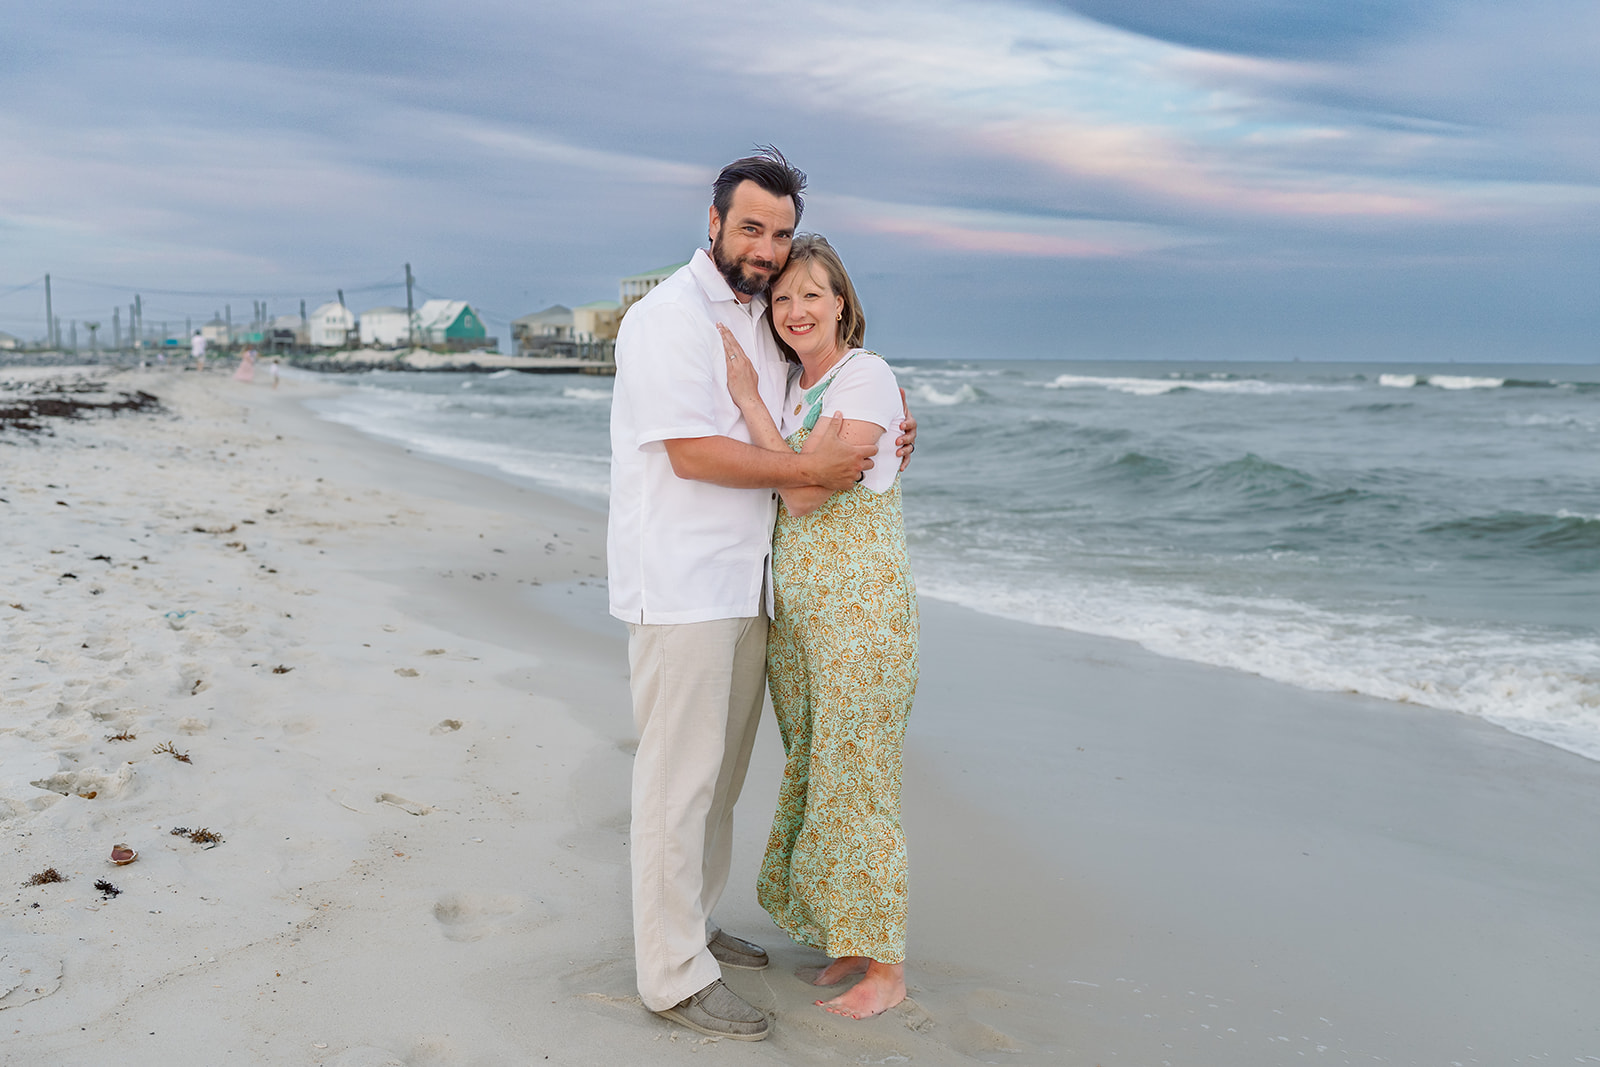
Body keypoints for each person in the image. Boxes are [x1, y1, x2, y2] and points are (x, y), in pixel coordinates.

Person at [607, 148, 916, 1041]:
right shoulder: (667, 319)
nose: (769, 249)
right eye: (752, 228)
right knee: (677, 782)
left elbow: (820, 417)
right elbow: (693, 452)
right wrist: (808, 466)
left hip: (755, 585)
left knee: (721, 779)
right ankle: (671, 975)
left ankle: (694, 925)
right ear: (713, 224)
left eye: (781, 234)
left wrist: (886, 433)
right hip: (685, 583)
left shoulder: (763, 321)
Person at [718, 235, 917, 1020]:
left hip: (861, 613)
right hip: (802, 614)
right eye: (783, 297)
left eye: (812, 294)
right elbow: (797, 474)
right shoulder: (802, 389)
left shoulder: (864, 374)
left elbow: (803, 496)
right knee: (820, 772)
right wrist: (768, 412)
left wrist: (747, 405)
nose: (796, 309)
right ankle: (852, 938)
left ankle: (888, 964)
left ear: (842, 301)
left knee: (859, 778)